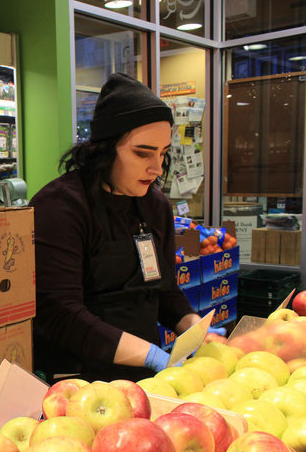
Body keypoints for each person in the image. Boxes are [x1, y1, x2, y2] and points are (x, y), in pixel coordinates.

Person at [30, 73, 202, 383]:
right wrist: (150, 354)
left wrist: (191, 326)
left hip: (146, 380)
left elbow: (162, 289)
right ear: (106, 148)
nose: (156, 168)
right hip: (78, 382)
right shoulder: (59, 207)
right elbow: (60, 313)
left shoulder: (155, 205)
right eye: (142, 153)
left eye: (163, 153)